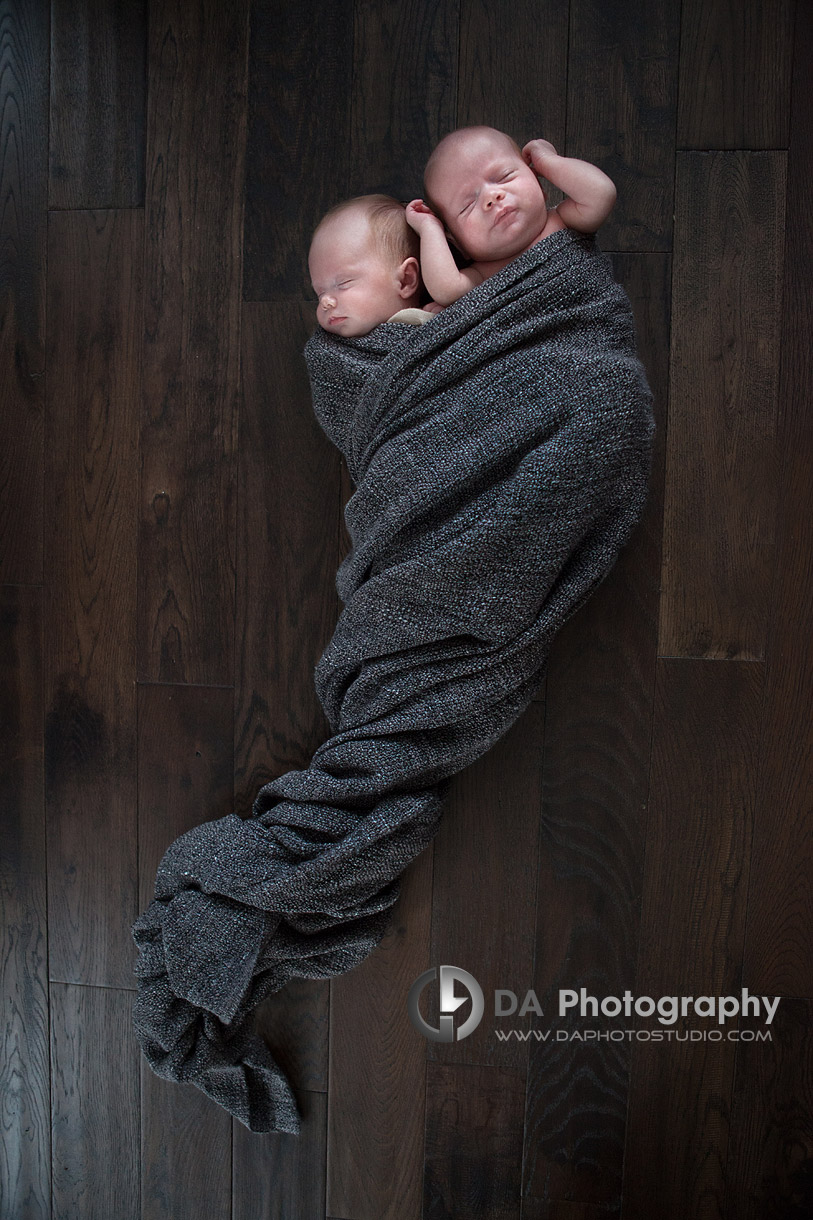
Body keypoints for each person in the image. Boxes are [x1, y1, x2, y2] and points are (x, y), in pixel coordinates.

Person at [405, 126, 617, 307]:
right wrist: (430, 229)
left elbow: (600, 195)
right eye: (468, 205)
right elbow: (445, 289)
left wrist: (547, 161)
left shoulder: (564, 221)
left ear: (538, 182)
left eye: (504, 176)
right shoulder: (483, 273)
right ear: (457, 243)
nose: (492, 196)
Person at [308, 194, 442, 338]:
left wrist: (440, 322)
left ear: (405, 280)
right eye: (320, 293)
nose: (325, 302)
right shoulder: (328, 347)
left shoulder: (435, 326)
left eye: (343, 283)